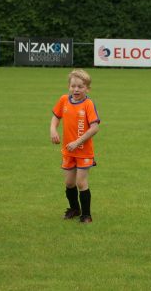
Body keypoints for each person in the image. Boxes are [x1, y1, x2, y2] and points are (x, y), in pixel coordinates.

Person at [50, 69, 100, 223]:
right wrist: (53, 130)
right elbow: (56, 117)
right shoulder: (64, 100)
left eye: (80, 87)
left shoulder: (88, 104)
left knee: (81, 182)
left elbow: (94, 128)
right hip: (68, 150)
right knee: (69, 183)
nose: (76, 90)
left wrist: (77, 142)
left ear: (87, 89)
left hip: (83, 151)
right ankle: (74, 209)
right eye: (73, 86)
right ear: (69, 86)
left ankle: (86, 215)